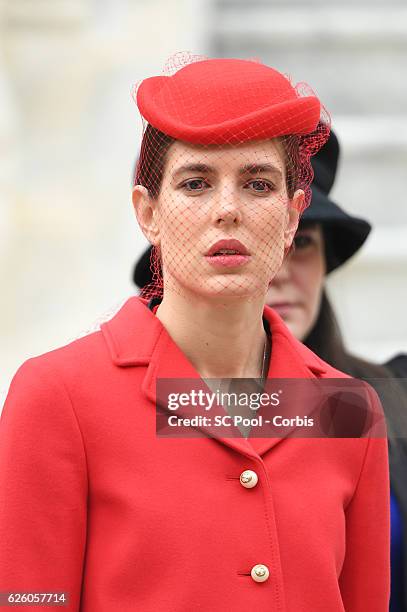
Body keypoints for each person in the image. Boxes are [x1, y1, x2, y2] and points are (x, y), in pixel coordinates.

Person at [0, 54, 390, 611]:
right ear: (148, 212)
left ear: (292, 215)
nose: (227, 210)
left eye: (258, 183)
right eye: (195, 183)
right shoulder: (59, 396)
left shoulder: (346, 407)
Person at [267, 129, 407, 611]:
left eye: (302, 241)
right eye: (262, 242)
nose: (281, 269)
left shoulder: (392, 398)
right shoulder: (174, 406)